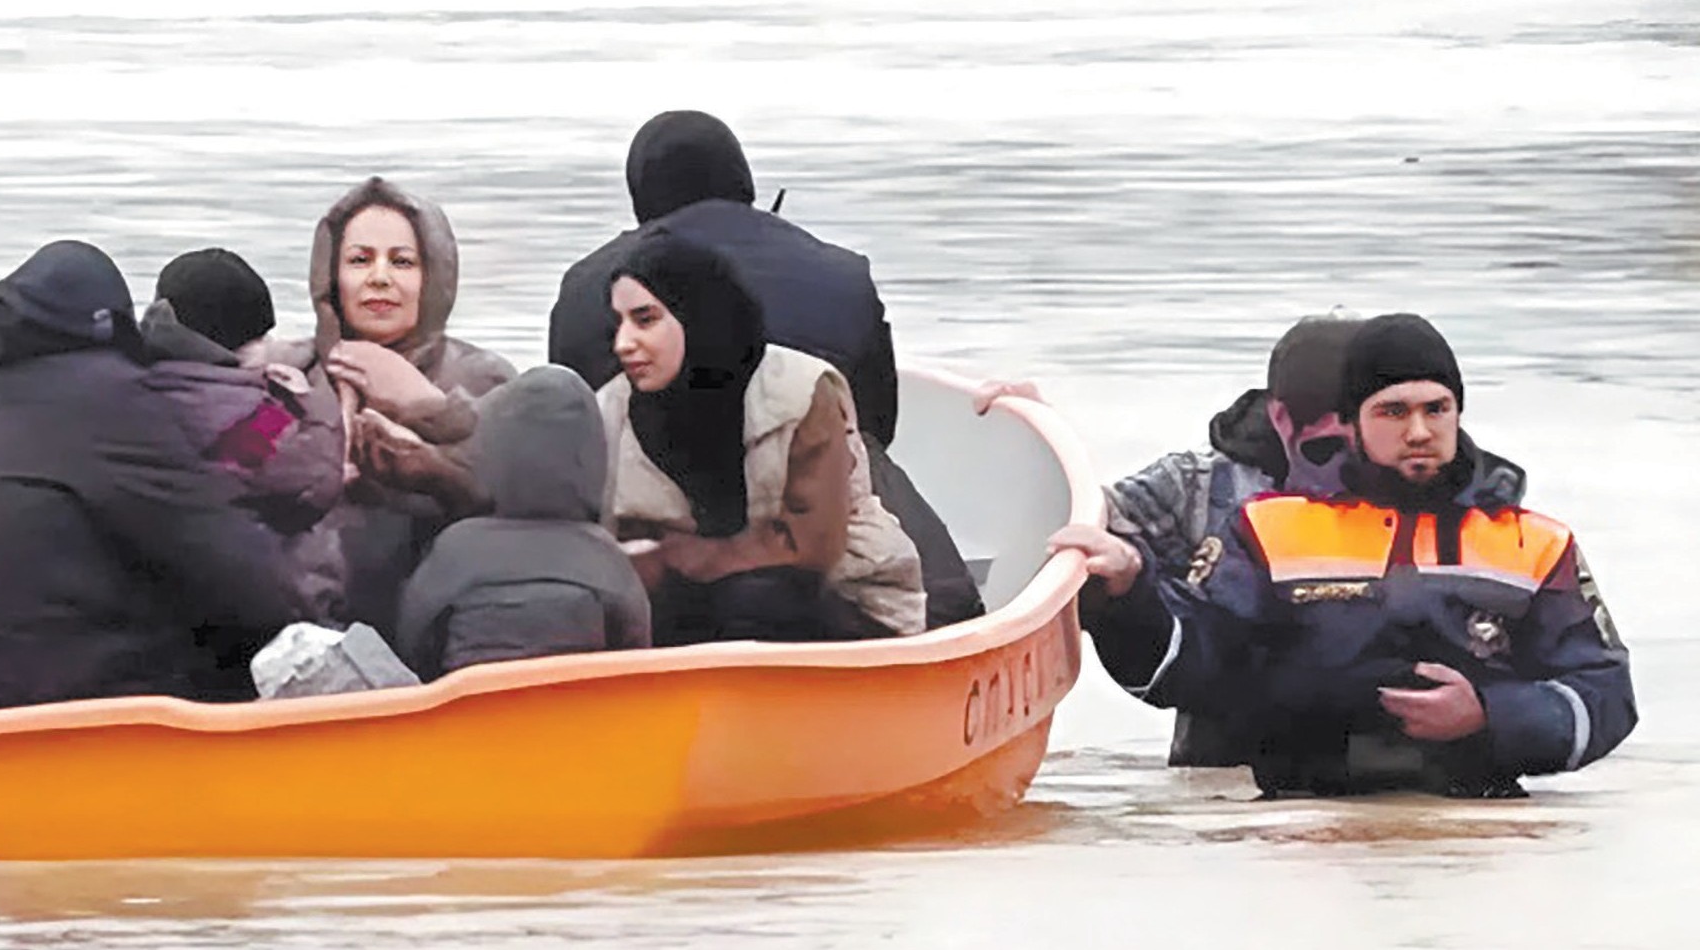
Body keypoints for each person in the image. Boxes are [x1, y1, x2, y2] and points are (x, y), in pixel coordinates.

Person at [1059, 314, 1636, 798]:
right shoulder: (1271, 528)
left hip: (1478, 827)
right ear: (1355, 423)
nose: (1419, 430)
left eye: (1437, 409)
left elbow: (1605, 693)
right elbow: (1199, 665)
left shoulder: (1536, 543)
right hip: (1300, 826)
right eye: (1393, 411)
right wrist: (1130, 595)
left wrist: (1488, 713)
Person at [549, 110, 983, 626]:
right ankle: (957, 641)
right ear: (745, 183)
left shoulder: (587, 286)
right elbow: (876, 420)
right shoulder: (839, 273)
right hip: (813, 491)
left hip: (651, 504)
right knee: (948, 600)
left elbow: (570, 430)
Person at [0, 241, 301, 712]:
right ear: (114, 320)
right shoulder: (116, 400)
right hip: (59, 699)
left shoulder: (7, 395)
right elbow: (234, 563)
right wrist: (316, 620)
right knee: (251, 650)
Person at [600, 232, 925, 643]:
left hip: (843, 598)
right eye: (618, 324)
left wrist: (670, 558)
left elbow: (813, 546)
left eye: (645, 319)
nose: (624, 343)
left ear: (695, 313)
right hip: (687, 606)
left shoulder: (801, 392)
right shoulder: (610, 409)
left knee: (757, 599)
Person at [1091, 313, 1369, 765]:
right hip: (1227, 769)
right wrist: (1025, 431)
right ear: (1280, 415)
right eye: (1325, 440)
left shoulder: (1446, 490)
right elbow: (1075, 521)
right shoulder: (1197, 484)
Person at [271, 176, 517, 636]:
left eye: (402, 262)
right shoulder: (288, 373)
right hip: (299, 630)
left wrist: (436, 415)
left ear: (434, 276)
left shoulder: (486, 378)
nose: (379, 277)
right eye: (359, 260)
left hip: (439, 626)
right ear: (331, 275)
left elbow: (530, 505)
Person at [395, 367, 652, 680]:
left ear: (493, 450)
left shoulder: (453, 551)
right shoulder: (606, 558)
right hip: (580, 722)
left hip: (466, 722)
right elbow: (635, 657)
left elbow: (412, 645)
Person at [146, 247, 349, 623]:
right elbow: (314, 479)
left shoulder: (144, 387)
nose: (267, 347)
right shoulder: (231, 413)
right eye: (257, 338)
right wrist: (306, 402)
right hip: (259, 615)